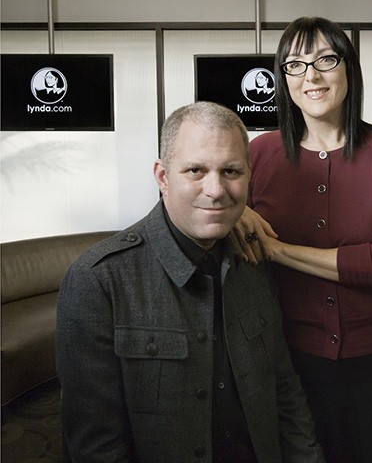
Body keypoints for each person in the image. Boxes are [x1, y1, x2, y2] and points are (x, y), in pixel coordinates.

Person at [232, 17, 372, 463]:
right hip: (288, 358)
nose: (311, 76)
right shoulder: (256, 153)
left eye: (325, 60)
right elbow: (206, 209)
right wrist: (235, 211)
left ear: (348, 69)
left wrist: (277, 250)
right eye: (294, 65)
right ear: (282, 79)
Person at [56, 101, 325, 463]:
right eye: (195, 170)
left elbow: (283, 389)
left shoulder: (254, 263)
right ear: (163, 178)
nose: (215, 190)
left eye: (230, 171)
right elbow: (96, 445)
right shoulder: (99, 281)